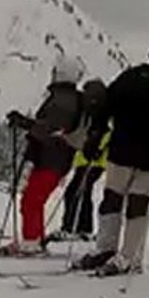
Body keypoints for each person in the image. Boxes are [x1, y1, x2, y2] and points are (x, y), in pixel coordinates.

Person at [74, 38, 149, 276]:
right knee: (112, 198)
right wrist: (96, 134)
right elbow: (107, 105)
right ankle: (106, 250)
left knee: (138, 204)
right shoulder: (135, 78)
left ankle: (129, 257)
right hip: (123, 151)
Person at [0, 58, 86, 255]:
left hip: (52, 157)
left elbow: (49, 128)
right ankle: (33, 239)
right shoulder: (65, 98)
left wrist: (24, 123)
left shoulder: (63, 100)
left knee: (31, 200)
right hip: (53, 157)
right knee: (33, 199)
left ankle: (31, 242)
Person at [52, 81, 111, 242]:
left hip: (95, 160)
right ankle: (82, 228)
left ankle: (72, 227)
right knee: (81, 191)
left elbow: (109, 133)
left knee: (76, 190)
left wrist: (99, 149)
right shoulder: (91, 114)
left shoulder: (102, 114)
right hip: (86, 158)